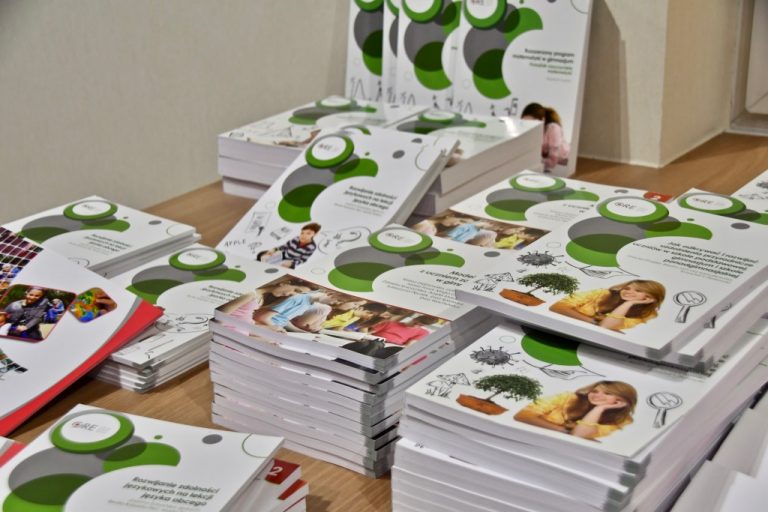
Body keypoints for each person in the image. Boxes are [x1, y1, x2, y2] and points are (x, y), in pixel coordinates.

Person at [514, 380, 637, 440]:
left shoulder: (623, 419)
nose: (597, 395)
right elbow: (523, 415)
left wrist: (600, 408)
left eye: (607, 393)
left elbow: (579, 434)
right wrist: (564, 430)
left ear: (621, 400)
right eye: (595, 391)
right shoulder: (568, 397)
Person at [549, 280, 665, 331]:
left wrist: (629, 303)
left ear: (649, 297)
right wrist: (593, 322)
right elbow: (557, 306)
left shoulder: (647, 314)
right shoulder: (602, 293)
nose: (628, 292)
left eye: (638, 291)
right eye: (627, 288)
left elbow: (606, 326)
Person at [251, 288, 340, 333]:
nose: (335, 304)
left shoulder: (309, 303)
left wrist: (302, 332)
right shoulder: (297, 298)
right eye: (338, 300)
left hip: (274, 328)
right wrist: (277, 329)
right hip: (263, 327)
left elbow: (283, 320)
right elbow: (262, 317)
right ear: (330, 293)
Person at [522, 103, 570, 172]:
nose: (528, 126)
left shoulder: (553, 128)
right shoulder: (532, 133)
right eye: (525, 123)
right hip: (549, 162)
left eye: (532, 123)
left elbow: (554, 156)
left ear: (542, 120)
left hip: (562, 162)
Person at [368, 315, 436, 346]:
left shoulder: (423, 332)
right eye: (415, 323)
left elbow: (408, 346)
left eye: (420, 325)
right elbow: (370, 333)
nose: (415, 326)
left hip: (393, 346)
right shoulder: (390, 323)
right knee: (375, 344)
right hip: (375, 340)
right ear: (414, 319)